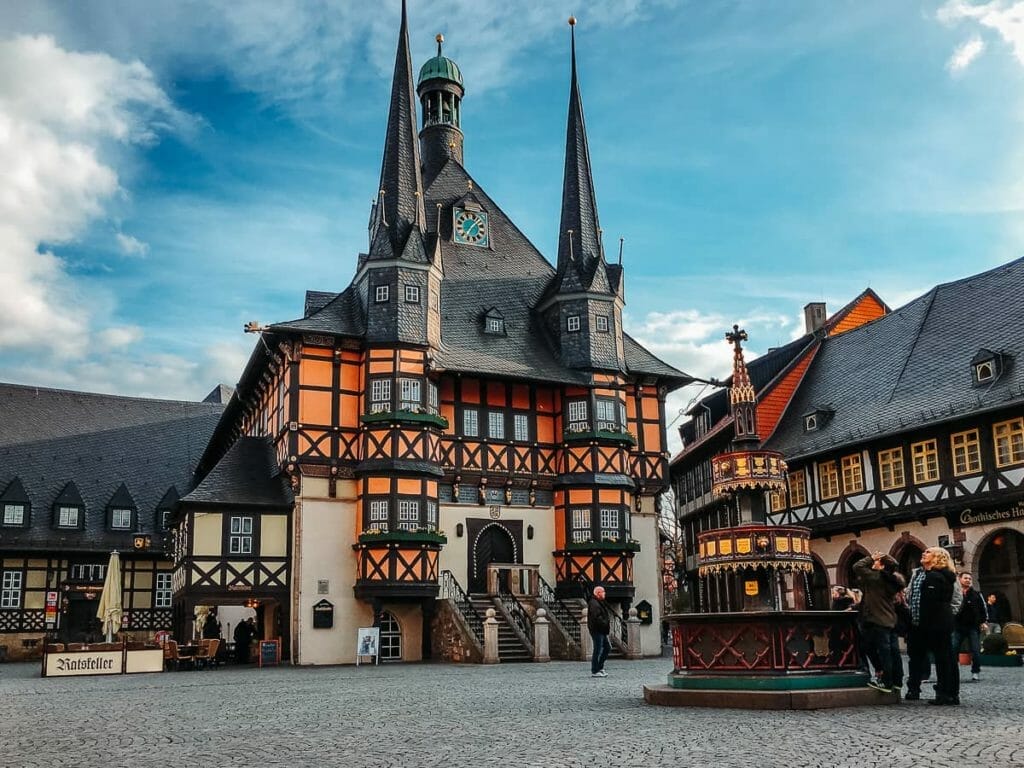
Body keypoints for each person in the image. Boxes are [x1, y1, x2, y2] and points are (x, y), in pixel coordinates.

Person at [853, 552, 905, 693]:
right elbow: (894, 564)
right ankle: (897, 681)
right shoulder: (892, 580)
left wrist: (871, 557)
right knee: (893, 652)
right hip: (889, 619)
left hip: (877, 619)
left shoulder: (876, 578)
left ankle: (886, 682)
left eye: (876, 563)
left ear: (881, 566)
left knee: (883, 652)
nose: (872, 565)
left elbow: (857, 566)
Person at [919, 546, 959, 706]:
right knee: (947, 657)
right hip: (943, 620)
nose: (924, 553)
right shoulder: (943, 576)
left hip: (936, 621)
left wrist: (925, 625)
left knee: (943, 659)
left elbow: (930, 603)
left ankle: (944, 693)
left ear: (937, 558)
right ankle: (951, 693)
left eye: (928, 552)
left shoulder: (934, 577)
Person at [952, 572, 987, 682]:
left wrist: (983, 621)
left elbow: (982, 609)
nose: (968, 580)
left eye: (969, 578)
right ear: (960, 579)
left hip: (973, 626)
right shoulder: (955, 593)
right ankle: (952, 671)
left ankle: (975, 671)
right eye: (965, 578)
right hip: (958, 626)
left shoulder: (976, 594)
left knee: (976, 651)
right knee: (953, 649)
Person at [587, 586, 611, 678]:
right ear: (598, 593)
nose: (604, 593)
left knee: (607, 648)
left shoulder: (598, 602)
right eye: (603, 592)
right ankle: (595, 670)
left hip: (601, 630)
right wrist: (605, 623)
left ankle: (600, 667)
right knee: (597, 650)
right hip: (597, 630)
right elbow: (596, 618)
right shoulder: (594, 603)